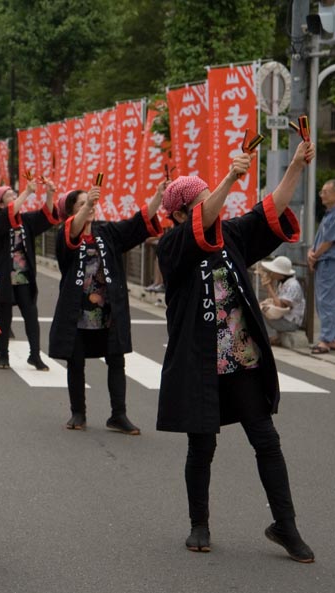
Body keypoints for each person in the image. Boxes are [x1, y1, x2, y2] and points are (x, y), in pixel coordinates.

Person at [156, 142, 316, 562]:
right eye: (201, 200)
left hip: (241, 357)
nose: (213, 204)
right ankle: (199, 524)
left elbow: (269, 209)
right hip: (199, 362)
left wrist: (296, 166)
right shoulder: (172, 246)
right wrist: (230, 177)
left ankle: (286, 525)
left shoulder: (232, 235)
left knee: (266, 440)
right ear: (178, 214)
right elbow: (201, 222)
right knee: (202, 445)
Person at [49, 181, 164, 434]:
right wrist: (88, 202)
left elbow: (139, 222)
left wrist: (158, 196)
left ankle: (118, 415)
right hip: (76, 312)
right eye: (81, 205)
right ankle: (78, 412)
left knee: (116, 359)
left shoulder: (107, 233)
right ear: (71, 212)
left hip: (107, 311)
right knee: (76, 361)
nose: (89, 208)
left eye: (89, 203)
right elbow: (73, 231)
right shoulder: (65, 235)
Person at [0, 180, 61, 370]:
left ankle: (34, 355)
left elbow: (46, 216)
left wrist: (50, 194)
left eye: (14, 193)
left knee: (31, 315)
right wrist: (27, 192)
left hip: (23, 277)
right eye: (10, 195)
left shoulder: (25, 220)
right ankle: (3, 356)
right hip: (2, 277)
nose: (14, 197)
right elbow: (9, 213)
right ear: (0, 204)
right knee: (4, 319)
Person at [308, 179, 335, 353]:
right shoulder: (329, 213)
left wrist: (314, 256)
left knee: (326, 300)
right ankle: (330, 337)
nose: (322, 195)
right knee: (326, 299)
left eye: (325, 191)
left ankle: (326, 339)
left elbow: (328, 241)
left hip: (328, 262)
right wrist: (312, 252)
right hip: (324, 260)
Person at [258, 255, 304, 346]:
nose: (271, 273)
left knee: (261, 313)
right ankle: (272, 337)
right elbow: (275, 301)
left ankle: (271, 337)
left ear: (280, 274)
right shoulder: (283, 283)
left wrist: (268, 286)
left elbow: (280, 306)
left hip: (290, 322)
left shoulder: (292, 285)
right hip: (283, 318)